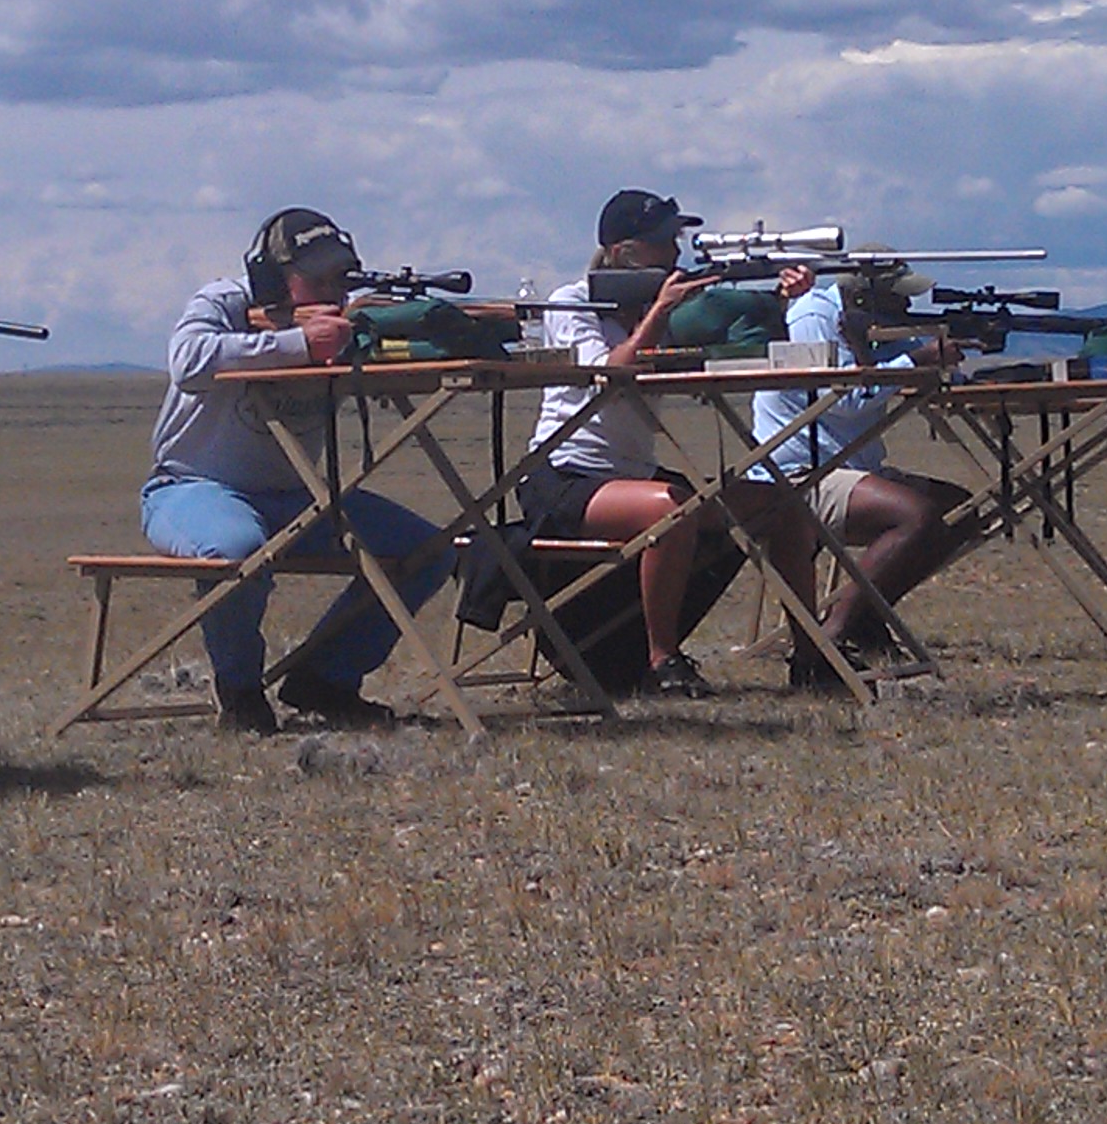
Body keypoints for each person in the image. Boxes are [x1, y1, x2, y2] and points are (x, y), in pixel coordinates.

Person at [144, 207, 451, 733]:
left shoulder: (347, 320)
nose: (332, 291)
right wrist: (298, 344)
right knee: (236, 550)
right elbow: (189, 361)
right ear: (274, 278)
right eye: (318, 278)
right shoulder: (225, 300)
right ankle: (240, 691)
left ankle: (326, 679)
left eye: (341, 278)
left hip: (297, 497)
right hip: (194, 486)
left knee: (426, 551)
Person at [523, 189, 817, 697]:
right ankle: (662, 660)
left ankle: (814, 652)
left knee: (780, 507)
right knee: (673, 511)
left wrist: (781, 301)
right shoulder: (575, 300)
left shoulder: (647, 305)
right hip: (569, 475)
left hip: (632, 474)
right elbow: (608, 372)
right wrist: (658, 313)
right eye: (664, 243)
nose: (677, 254)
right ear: (626, 254)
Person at [749, 269, 974, 687]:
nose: (904, 310)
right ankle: (828, 640)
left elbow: (915, 362)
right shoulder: (814, 316)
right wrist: (918, 360)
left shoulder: (867, 329)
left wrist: (941, 358)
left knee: (962, 511)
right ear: (860, 296)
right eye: (895, 300)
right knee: (916, 516)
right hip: (804, 469)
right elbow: (844, 397)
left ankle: (866, 616)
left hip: (851, 466)